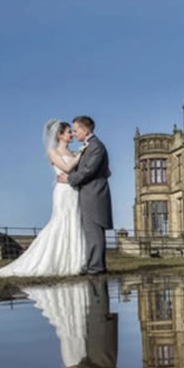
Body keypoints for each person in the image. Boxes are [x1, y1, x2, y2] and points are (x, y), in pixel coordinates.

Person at [0, 120, 86, 278]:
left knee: (75, 222)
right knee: (61, 222)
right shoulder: (53, 152)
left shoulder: (73, 153)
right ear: (60, 135)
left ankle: (74, 262)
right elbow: (67, 168)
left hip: (74, 191)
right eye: (68, 132)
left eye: (71, 132)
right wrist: (81, 155)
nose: (72, 134)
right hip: (63, 191)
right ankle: (52, 262)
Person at [62, 117, 113, 276]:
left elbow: (89, 170)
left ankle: (96, 267)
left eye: (76, 130)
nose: (74, 133)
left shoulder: (96, 146)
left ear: (85, 130)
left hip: (94, 194)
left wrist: (69, 179)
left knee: (94, 231)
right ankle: (94, 264)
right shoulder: (90, 146)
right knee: (91, 231)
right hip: (90, 193)